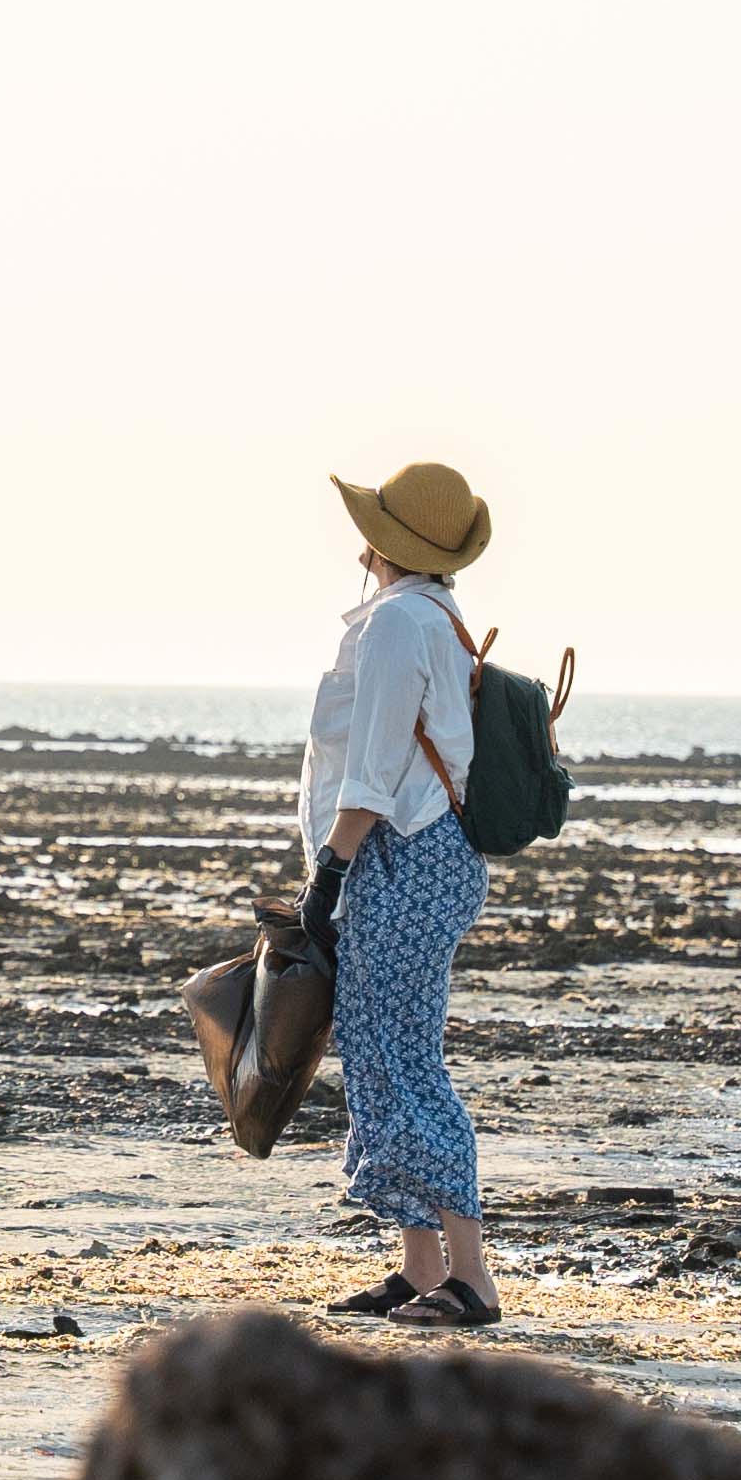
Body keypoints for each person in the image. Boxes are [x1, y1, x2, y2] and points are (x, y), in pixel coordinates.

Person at [299, 460, 501, 1329]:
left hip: (401, 857)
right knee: (382, 1053)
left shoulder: (395, 626)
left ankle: (473, 1278)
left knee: (405, 1059)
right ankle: (421, 1268)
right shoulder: (439, 618)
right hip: (430, 854)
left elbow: (373, 763)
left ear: (384, 541)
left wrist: (332, 868)